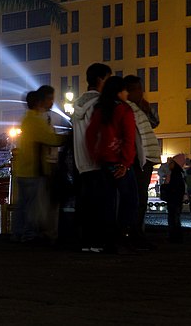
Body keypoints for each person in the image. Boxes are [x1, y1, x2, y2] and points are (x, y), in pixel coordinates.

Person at [81, 75, 137, 254]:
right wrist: (126, 163)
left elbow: (90, 134)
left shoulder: (101, 109)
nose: (127, 93)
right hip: (120, 161)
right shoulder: (124, 110)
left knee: (108, 202)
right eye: (125, 90)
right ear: (119, 91)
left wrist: (95, 154)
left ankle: (108, 239)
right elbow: (129, 138)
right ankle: (123, 238)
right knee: (129, 200)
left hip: (105, 161)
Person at [69, 62, 112, 247]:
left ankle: (84, 241)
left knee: (84, 203)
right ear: (100, 79)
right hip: (96, 160)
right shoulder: (99, 103)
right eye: (108, 79)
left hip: (81, 163)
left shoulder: (78, 104)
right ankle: (96, 242)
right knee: (99, 205)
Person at [13, 89, 64, 244]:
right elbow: (50, 139)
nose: (51, 102)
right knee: (31, 207)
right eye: (48, 99)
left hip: (22, 169)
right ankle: (28, 236)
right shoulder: (35, 121)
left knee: (22, 205)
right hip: (32, 170)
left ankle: (17, 234)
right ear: (38, 103)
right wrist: (70, 137)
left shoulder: (27, 119)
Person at [119, 74, 159, 248]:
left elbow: (155, 123)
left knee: (139, 198)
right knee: (138, 198)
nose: (142, 93)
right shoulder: (127, 109)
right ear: (129, 91)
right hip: (138, 158)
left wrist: (147, 109)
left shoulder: (140, 108)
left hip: (143, 157)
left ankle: (135, 231)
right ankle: (134, 232)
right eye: (139, 89)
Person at [159, 154, 188, 243]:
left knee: (173, 219)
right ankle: (176, 236)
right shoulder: (177, 174)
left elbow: (173, 188)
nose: (169, 165)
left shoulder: (175, 176)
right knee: (175, 219)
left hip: (174, 200)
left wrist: (165, 188)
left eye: (171, 163)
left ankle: (174, 237)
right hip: (176, 200)